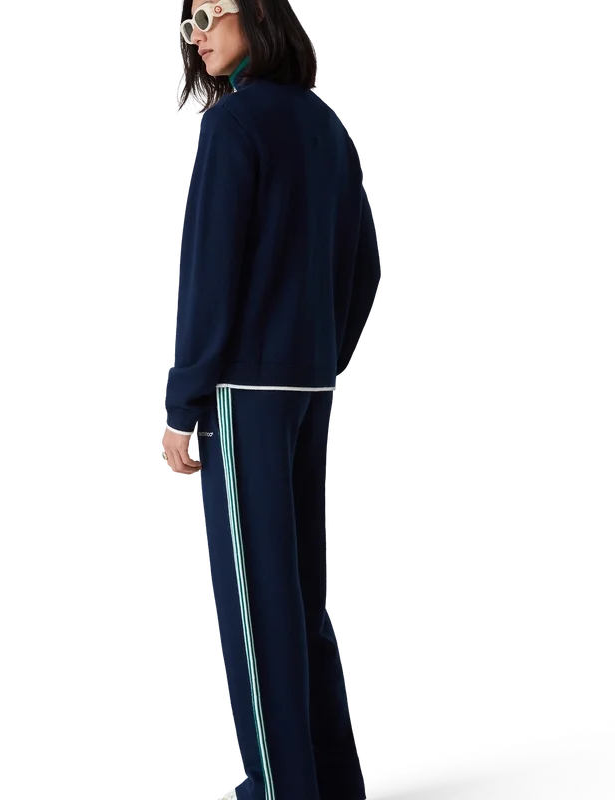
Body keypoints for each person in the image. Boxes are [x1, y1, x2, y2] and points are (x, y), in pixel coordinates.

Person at [162, 1, 381, 798]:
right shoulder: (327, 124)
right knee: (302, 601)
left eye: (209, 17)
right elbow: (362, 264)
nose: (197, 36)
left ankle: (277, 788)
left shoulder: (234, 125)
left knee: (256, 610)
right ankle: (331, 783)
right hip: (310, 388)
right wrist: (323, 356)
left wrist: (181, 404)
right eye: (189, 24)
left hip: (246, 393)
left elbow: (209, 277)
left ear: (258, 17)